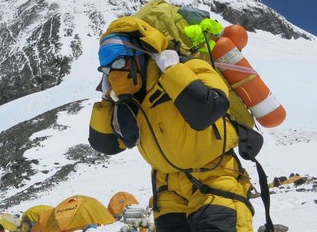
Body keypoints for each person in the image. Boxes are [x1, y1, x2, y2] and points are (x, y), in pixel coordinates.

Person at [89, 16, 254, 232]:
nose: (114, 73)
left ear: (141, 56)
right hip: (167, 191)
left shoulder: (192, 67)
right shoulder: (128, 102)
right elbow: (106, 145)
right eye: (107, 69)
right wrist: (107, 100)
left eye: (119, 62)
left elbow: (208, 109)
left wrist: (171, 70)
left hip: (215, 179)